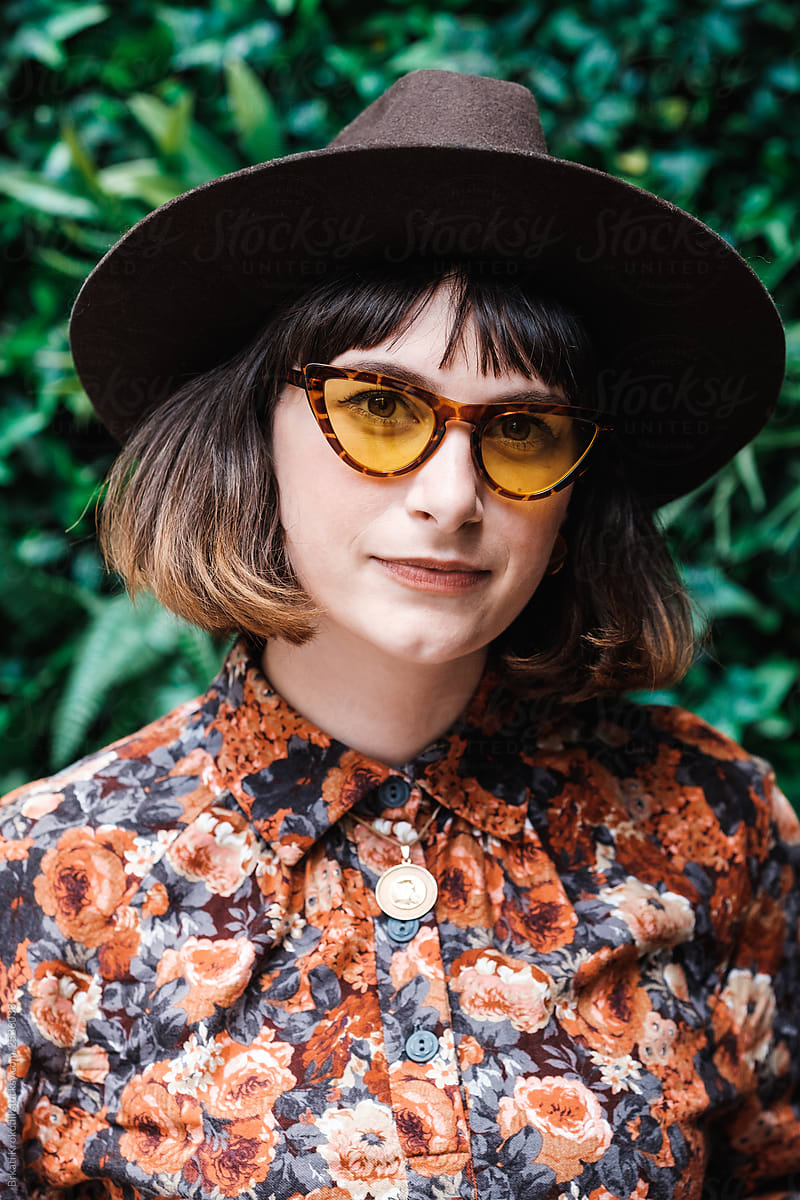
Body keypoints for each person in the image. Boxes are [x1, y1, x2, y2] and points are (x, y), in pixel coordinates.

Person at [0, 70, 798, 1200]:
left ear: (572, 508)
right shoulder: (37, 883)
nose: (450, 494)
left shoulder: (714, 829)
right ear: (250, 443)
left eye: (521, 432)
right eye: (380, 407)